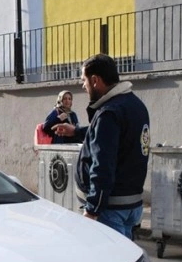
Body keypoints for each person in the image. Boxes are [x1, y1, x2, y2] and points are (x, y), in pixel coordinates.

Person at [52, 54, 150, 240]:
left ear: (95, 80)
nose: (83, 85)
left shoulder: (108, 113)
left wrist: (92, 210)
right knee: (124, 257)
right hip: (131, 204)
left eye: (84, 80)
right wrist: (76, 131)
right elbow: (114, 135)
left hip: (109, 210)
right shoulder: (135, 105)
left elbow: (103, 166)